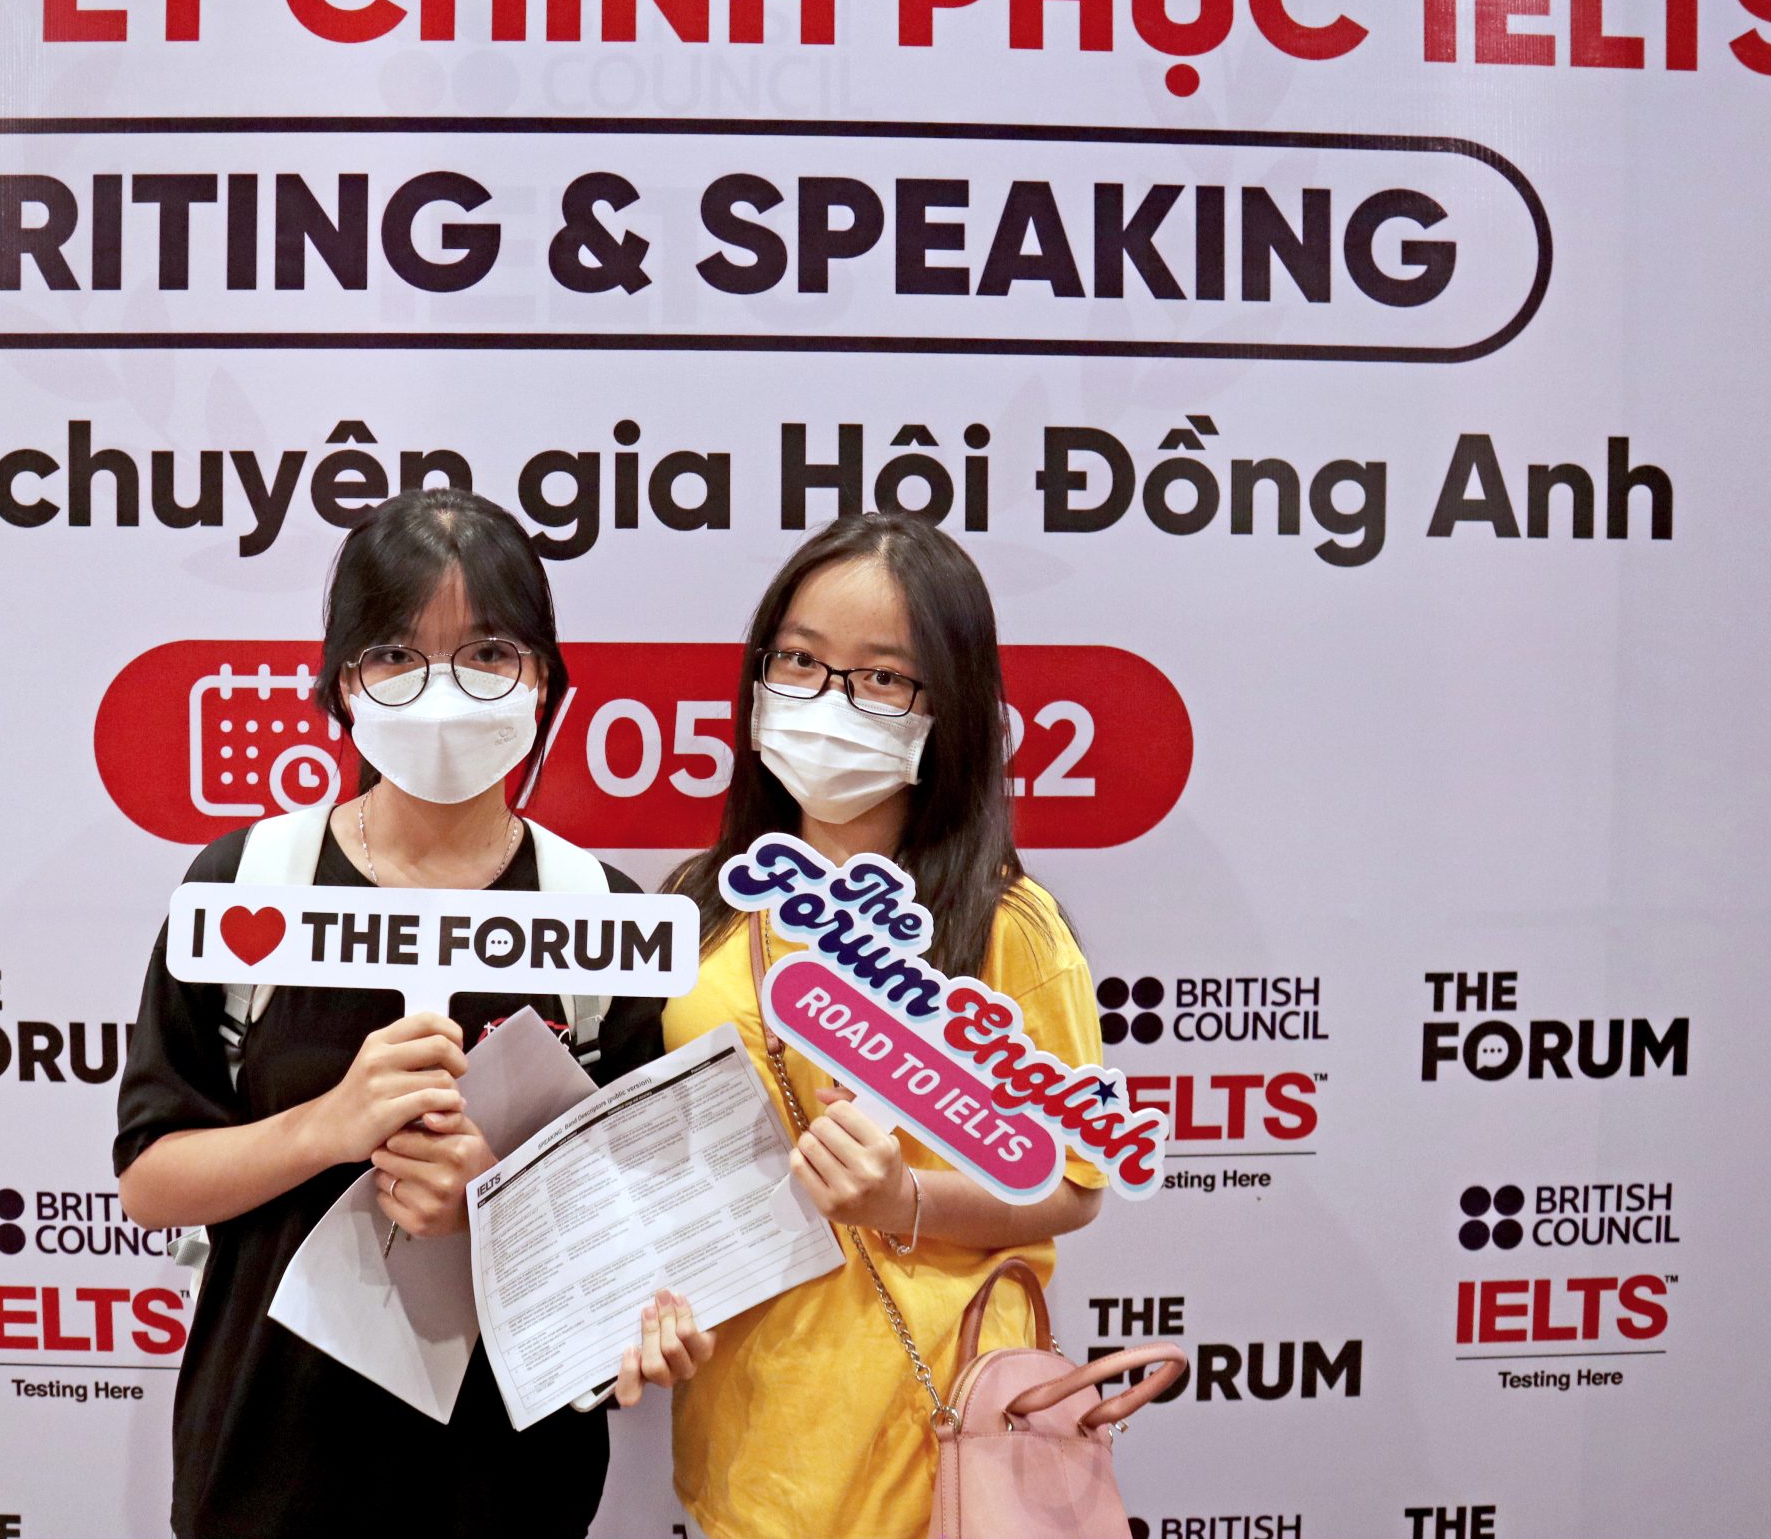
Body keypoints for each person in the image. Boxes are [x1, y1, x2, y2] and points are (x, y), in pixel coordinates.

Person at [115, 488, 709, 1539]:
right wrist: (328, 1123)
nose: (443, 690)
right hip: (266, 1477)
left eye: (488, 653)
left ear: (543, 679)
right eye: (395, 653)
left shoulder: (601, 917)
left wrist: (493, 1206)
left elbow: (638, 1231)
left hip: (508, 1492)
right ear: (343, 680)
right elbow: (152, 1181)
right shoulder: (251, 884)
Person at [652, 512, 1109, 1539]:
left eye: (883, 677)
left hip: (929, 1457)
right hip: (746, 1448)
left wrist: (904, 1198)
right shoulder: (701, 904)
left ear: (949, 706)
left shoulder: (1005, 925)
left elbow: (1074, 1184)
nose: (829, 699)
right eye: (800, 661)